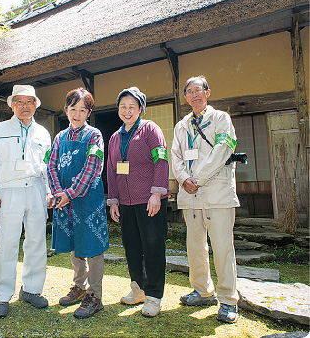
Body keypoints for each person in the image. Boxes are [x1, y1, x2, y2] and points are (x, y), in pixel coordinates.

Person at [171, 75, 240, 324]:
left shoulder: (222, 118)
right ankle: (202, 291)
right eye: (189, 91)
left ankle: (229, 300)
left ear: (207, 92)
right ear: (186, 97)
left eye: (198, 90)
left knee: (223, 248)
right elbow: (175, 156)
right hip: (191, 197)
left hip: (217, 194)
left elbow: (223, 149)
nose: (194, 95)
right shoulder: (181, 126)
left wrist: (196, 179)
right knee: (195, 247)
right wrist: (183, 179)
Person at [0, 85, 52, 318]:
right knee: (7, 243)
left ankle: (31, 290)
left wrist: (50, 191)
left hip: (36, 189)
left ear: (36, 105)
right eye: (19, 102)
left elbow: (49, 166)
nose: (25, 106)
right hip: (9, 191)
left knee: (36, 242)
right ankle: (1, 295)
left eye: (29, 102)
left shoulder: (43, 133)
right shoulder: (0, 130)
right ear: (12, 105)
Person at [107, 87, 169, 317]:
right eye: (123, 106)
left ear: (141, 108)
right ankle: (138, 288)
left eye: (132, 106)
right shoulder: (115, 137)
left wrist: (156, 193)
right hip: (125, 203)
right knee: (132, 247)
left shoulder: (150, 129)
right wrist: (113, 201)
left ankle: (154, 296)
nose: (127, 110)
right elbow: (111, 171)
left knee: (153, 247)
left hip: (148, 200)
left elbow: (161, 159)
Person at [47, 88, 109, 319]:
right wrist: (57, 192)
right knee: (75, 245)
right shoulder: (60, 137)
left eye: (83, 110)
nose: (77, 114)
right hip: (65, 200)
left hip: (87, 200)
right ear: (66, 110)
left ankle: (95, 295)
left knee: (92, 246)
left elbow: (92, 166)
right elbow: (51, 165)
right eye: (73, 109)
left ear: (89, 113)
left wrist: (70, 193)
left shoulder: (94, 136)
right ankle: (79, 286)